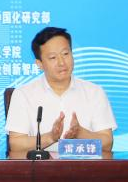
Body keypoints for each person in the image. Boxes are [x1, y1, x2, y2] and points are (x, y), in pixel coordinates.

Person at [6, 27, 116, 157]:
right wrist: (50, 137)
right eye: (53, 57)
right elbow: (16, 144)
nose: (61, 62)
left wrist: (81, 133)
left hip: (85, 167)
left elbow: (107, 143)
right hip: (40, 168)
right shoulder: (23, 95)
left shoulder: (94, 92)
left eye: (65, 54)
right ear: (39, 64)